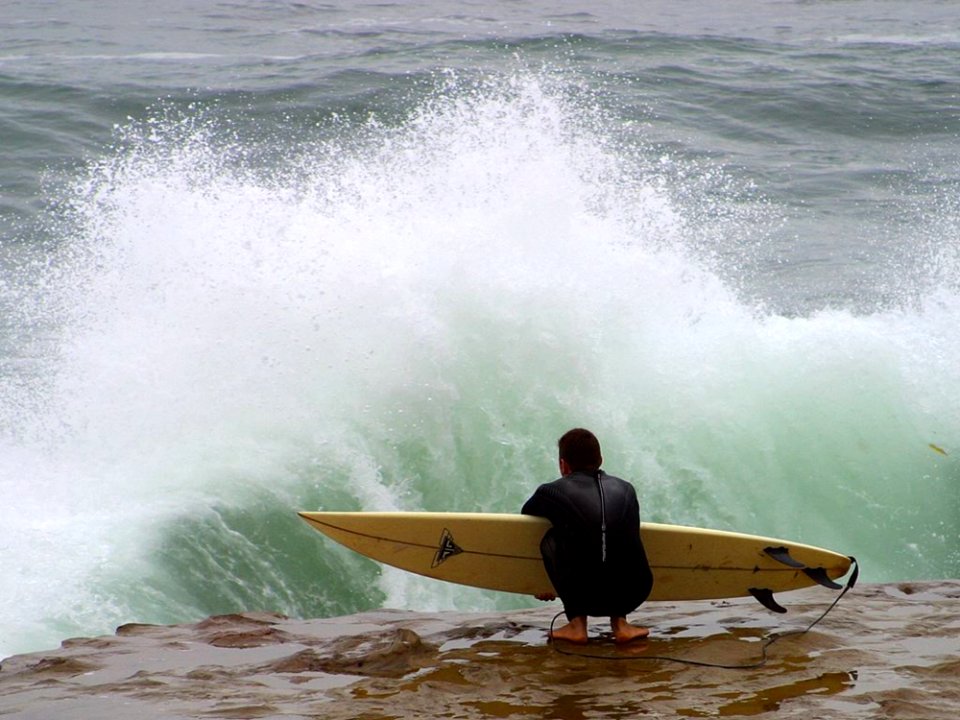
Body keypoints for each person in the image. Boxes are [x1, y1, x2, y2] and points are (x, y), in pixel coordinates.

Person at [522, 428, 654, 644]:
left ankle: (576, 625)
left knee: (550, 537)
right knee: (617, 534)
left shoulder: (550, 492)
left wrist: (540, 582)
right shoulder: (627, 490)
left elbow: (525, 527)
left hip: (584, 596)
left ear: (563, 465)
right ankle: (621, 624)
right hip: (635, 591)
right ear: (601, 459)